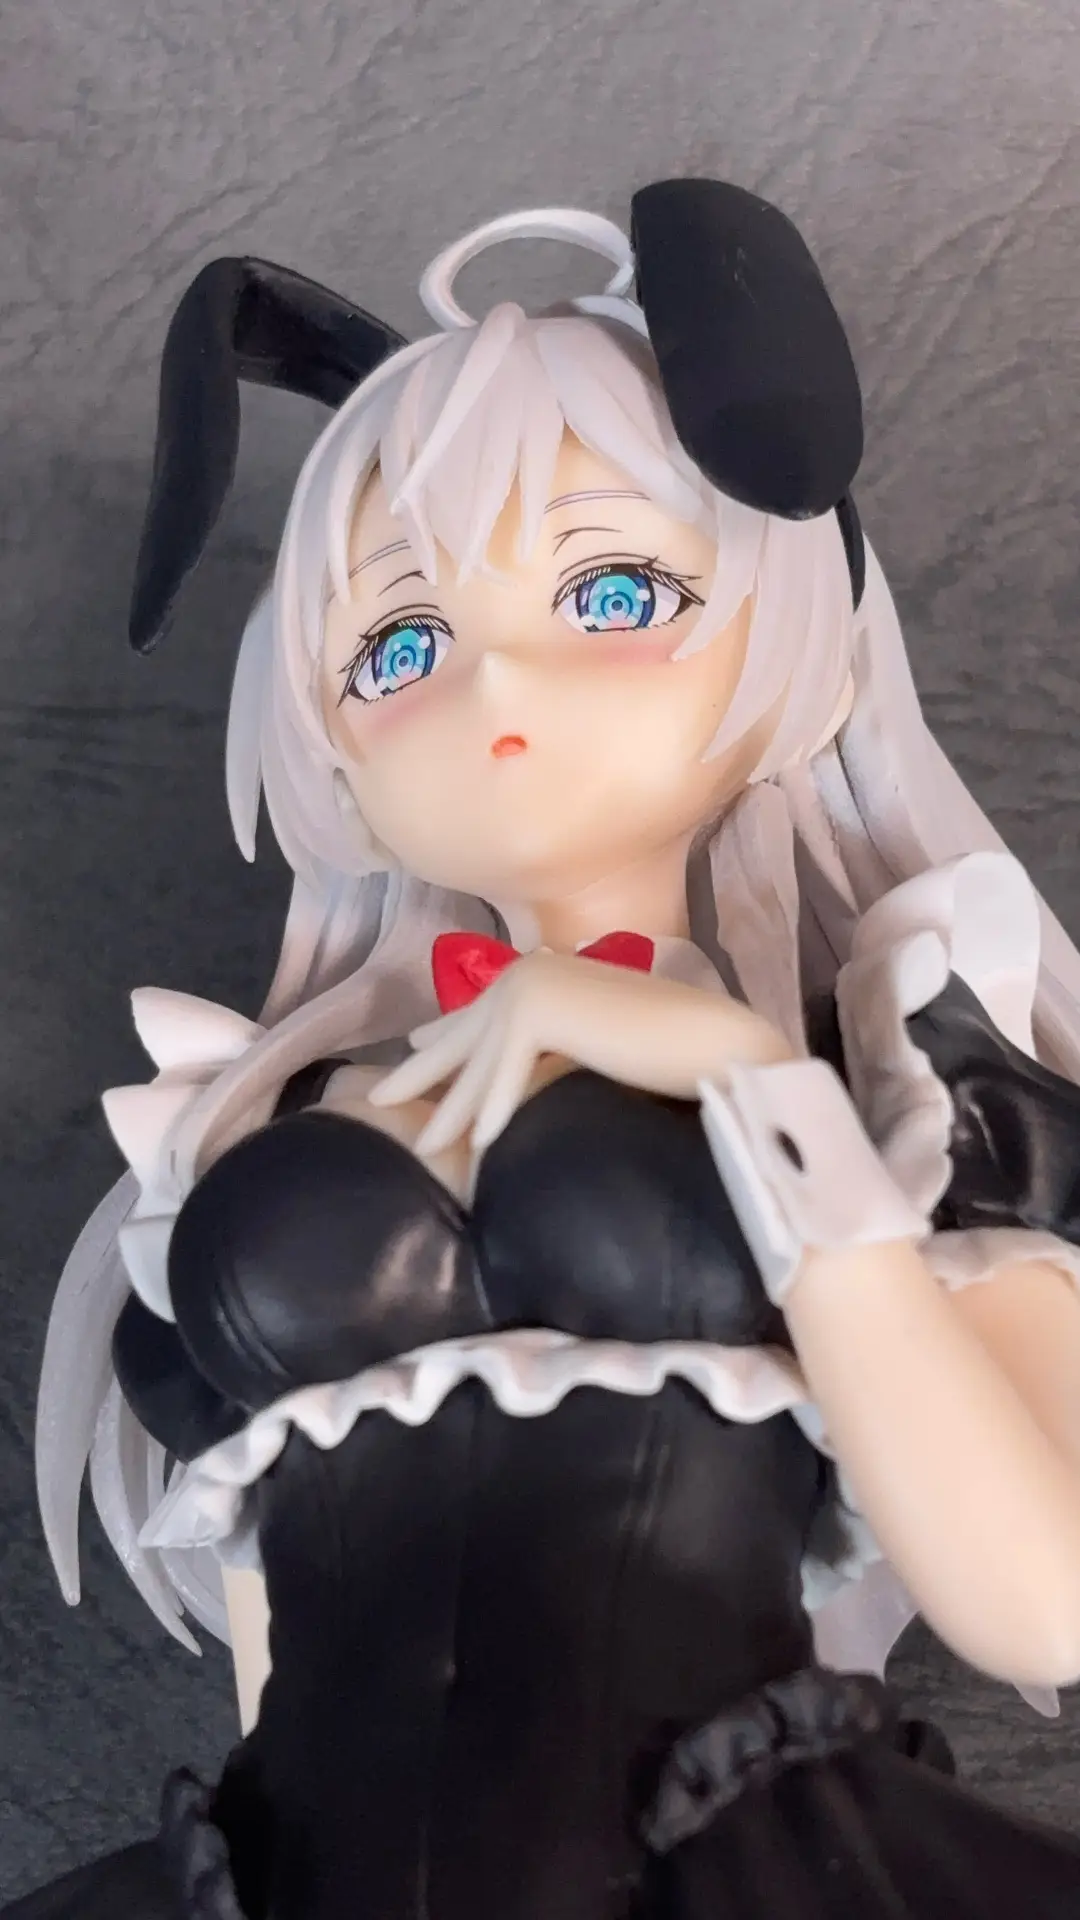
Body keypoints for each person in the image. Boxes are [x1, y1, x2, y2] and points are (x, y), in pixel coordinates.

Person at [12, 180, 1080, 1918]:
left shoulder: (904, 1090)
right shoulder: (266, 1118)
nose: (497, 689)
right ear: (330, 749)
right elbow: (275, 1681)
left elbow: (1043, 1602)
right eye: (401, 644)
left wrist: (743, 1076)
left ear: (798, 646)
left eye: (614, 590)